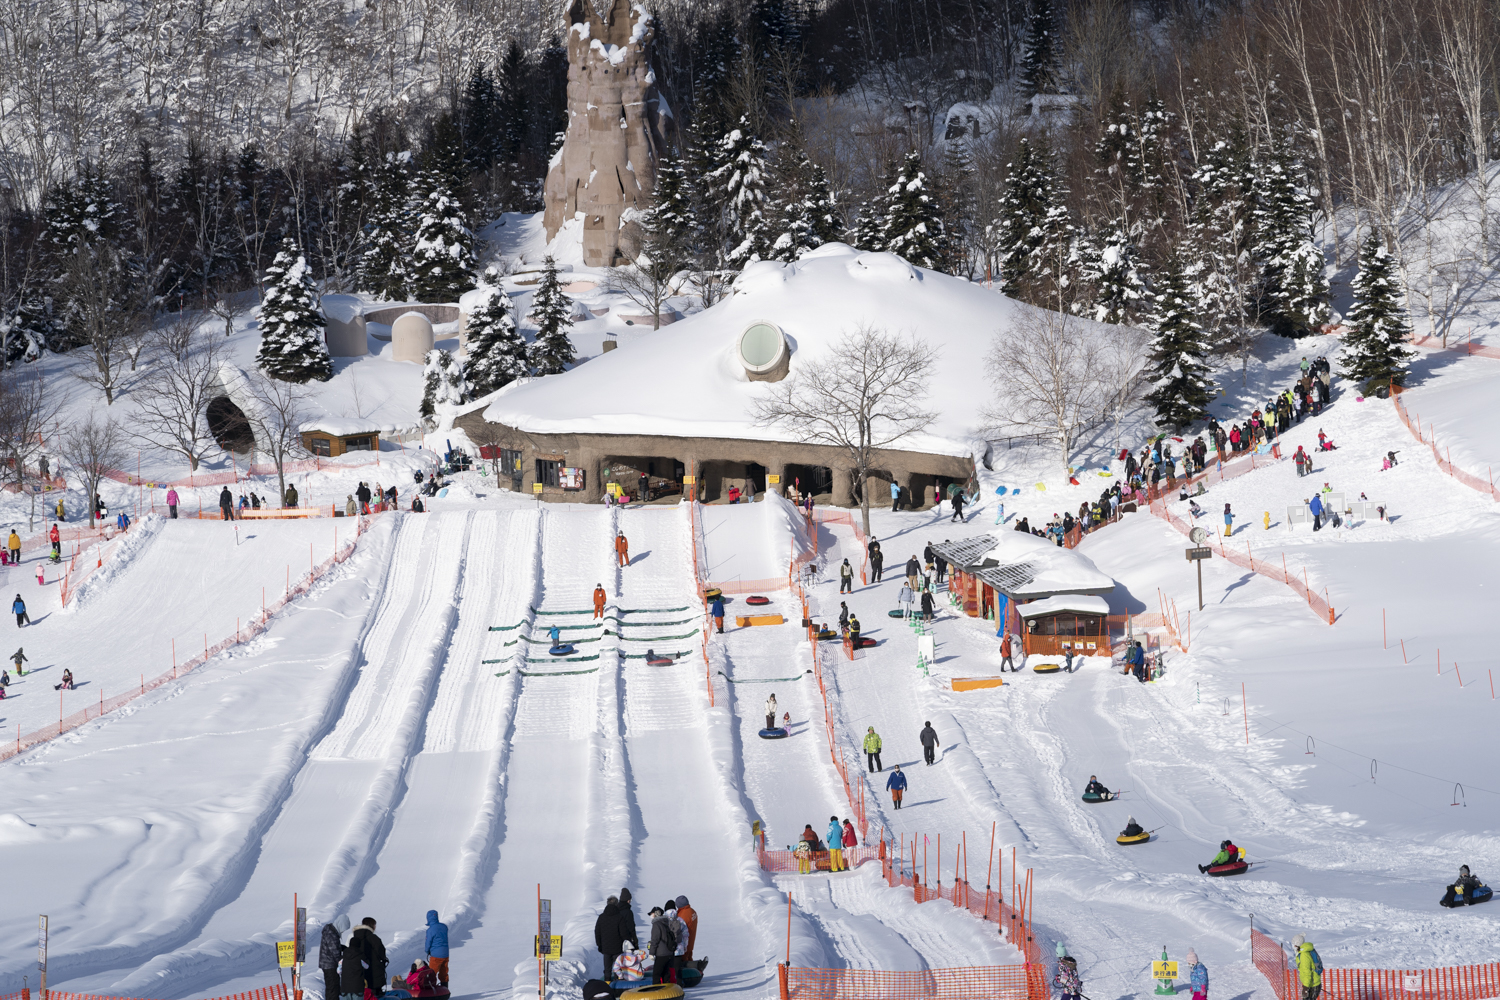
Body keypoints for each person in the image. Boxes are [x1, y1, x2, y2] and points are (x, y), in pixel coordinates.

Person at [318, 915, 349, 1000]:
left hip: (328, 964)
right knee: (333, 988)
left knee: (333, 987)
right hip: (329, 965)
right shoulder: (331, 933)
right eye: (343, 929)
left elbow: (334, 946)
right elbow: (334, 951)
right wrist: (344, 959)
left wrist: (342, 948)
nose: (342, 931)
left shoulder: (331, 931)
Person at [596, 896, 624, 980]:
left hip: (606, 948)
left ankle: (607, 985)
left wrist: (600, 945)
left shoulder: (601, 917)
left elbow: (597, 933)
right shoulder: (620, 917)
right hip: (618, 948)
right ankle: (618, 988)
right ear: (617, 904)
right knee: (618, 969)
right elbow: (623, 933)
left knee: (607, 969)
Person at [648, 907, 677, 984]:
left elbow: (655, 940)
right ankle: (667, 991)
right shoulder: (666, 922)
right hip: (669, 952)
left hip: (661, 953)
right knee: (666, 973)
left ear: (656, 914)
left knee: (656, 974)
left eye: (652, 914)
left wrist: (651, 953)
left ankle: (657, 991)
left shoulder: (656, 924)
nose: (651, 915)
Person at [424, 909, 449, 987]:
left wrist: (427, 951)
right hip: (445, 954)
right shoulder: (444, 927)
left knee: (431, 974)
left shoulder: (430, 930)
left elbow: (428, 943)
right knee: (444, 973)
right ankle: (445, 990)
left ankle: (431, 993)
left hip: (436, 956)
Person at [1294, 936, 1322, 1000]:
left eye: (1294, 945)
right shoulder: (1304, 951)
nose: (1293, 946)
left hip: (1312, 984)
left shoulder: (1304, 955)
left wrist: (1305, 988)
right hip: (1312, 983)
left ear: (1298, 944)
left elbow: (1307, 972)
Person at [674, 895, 699, 962]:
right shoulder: (693, 911)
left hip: (684, 946)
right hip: (691, 943)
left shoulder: (682, 916)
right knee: (689, 959)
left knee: (684, 963)